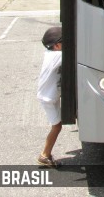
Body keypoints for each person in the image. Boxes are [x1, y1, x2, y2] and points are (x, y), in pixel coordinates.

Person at [37, 27, 63, 168]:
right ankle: (44, 155)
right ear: (57, 46)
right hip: (48, 98)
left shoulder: (51, 53)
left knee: (58, 125)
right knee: (57, 127)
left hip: (51, 95)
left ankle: (46, 154)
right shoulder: (56, 56)